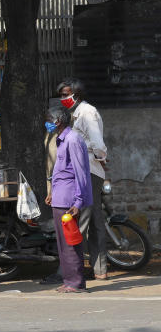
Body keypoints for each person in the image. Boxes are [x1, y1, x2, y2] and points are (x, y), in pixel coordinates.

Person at [57, 78, 109, 280]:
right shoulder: (75, 113)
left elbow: (97, 143)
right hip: (89, 171)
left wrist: (100, 157)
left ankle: (71, 271)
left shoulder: (87, 113)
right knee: (96, 223)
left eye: (65, 95)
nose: (63, 99)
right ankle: (100, 271)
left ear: (76, 95)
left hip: (87, 172)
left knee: (81, 222)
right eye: (61, 95)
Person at [44, 105, 92, 293]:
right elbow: (60, 171)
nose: (46, 123)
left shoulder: (73, 140)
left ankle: (76, 282)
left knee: (71, 243)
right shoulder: (61, 139)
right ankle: (69, 279)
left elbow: (81, 173)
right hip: (60, 198)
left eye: (48, 120)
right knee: (63, 244)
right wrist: (52, 193)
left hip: (69, 201)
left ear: (57, 121)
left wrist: (78, 202)